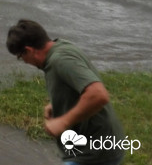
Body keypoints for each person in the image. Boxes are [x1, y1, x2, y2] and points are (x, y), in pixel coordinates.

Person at [6, 19, 124, 165]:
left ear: (29, 50)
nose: (24, 61)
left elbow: (98, 94)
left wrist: (64, 121)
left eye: (20, 56)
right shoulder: (61, 47)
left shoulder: (61, 60)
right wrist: (58, 103)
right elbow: (78, 85)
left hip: (94, 152)